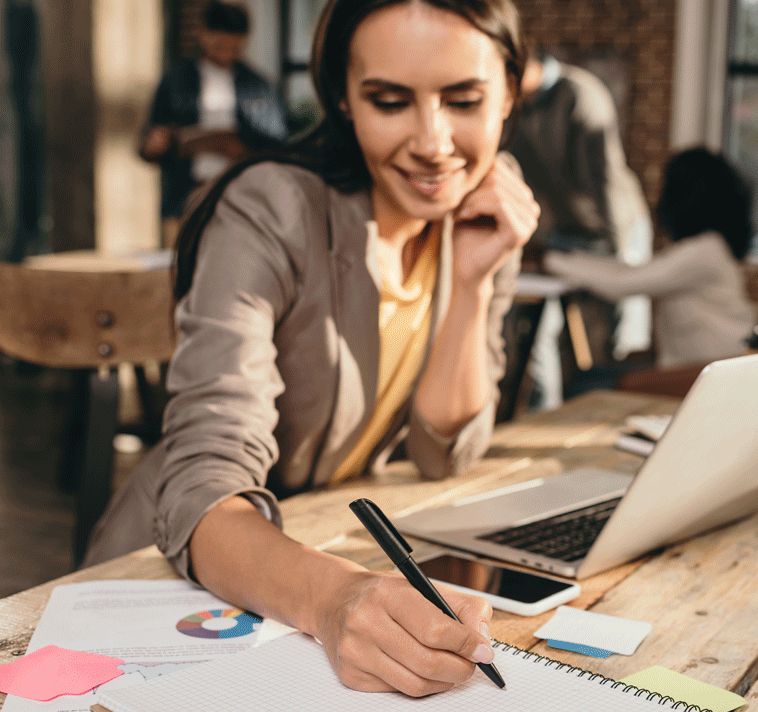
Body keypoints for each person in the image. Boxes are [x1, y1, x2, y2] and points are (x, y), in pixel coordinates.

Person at [86, 0, 538, 698]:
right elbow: (206, 482)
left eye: (464, 99)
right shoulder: (271, 209)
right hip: (169, 591)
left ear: (511, 90)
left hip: (308, 580)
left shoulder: (484, 212)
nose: (433, 142)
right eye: (390, 101)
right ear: (343, 100)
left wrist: (473, 282)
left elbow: (443, 452)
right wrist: (335, 600)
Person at [505, 48, 652, 406]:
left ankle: (610, 406)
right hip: (564, 232)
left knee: (617, 331)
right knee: (540, 324)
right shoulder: (513, 105)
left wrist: (619, 258)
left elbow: (607, 182)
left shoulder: (581, 95)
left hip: (614, 226)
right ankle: (547, 410)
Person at [544, 147, 757, 368]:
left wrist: (548, 260)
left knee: (585, 383)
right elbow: (625, 272)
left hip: (699, 377)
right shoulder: (708, 247)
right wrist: (562, 259)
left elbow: (622, 283)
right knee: (591, 376)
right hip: (696, 370)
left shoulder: (705, 251)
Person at [138, 1, 288, 247]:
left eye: (234, 47)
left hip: (241, 198)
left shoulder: (258, 87)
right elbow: (149, 140)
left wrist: (242, 149)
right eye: (219, 45)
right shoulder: (176, 81)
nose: (226, 53)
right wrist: (157, 142)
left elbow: (278, 145)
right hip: (184, 197)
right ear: (202, 34)